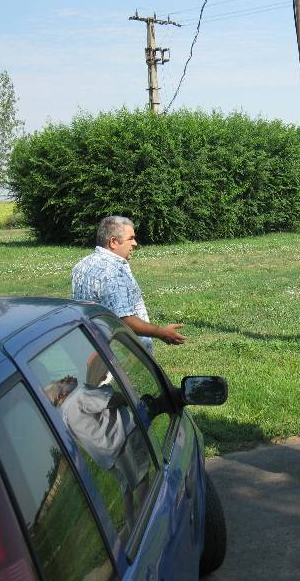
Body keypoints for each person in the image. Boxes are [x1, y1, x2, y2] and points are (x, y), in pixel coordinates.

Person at [44, 365, 151, 528]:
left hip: (107, 458)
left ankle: (131, 526)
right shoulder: (79, 396)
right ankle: (148, 520)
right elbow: (110, 400)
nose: (66, 378)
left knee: (127, 487)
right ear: (62, 394)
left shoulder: (65, 416)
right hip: (122, 441)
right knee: (141, 479)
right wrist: (124, 396)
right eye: (61, 382)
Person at [72, 215, 185, 353]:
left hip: (94, 348)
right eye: (130, 238)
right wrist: (161, 332)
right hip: (122, 354)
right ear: (113, 242)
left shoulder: (81, 265)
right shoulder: (112, 272)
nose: (135, 243)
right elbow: (124, 320)